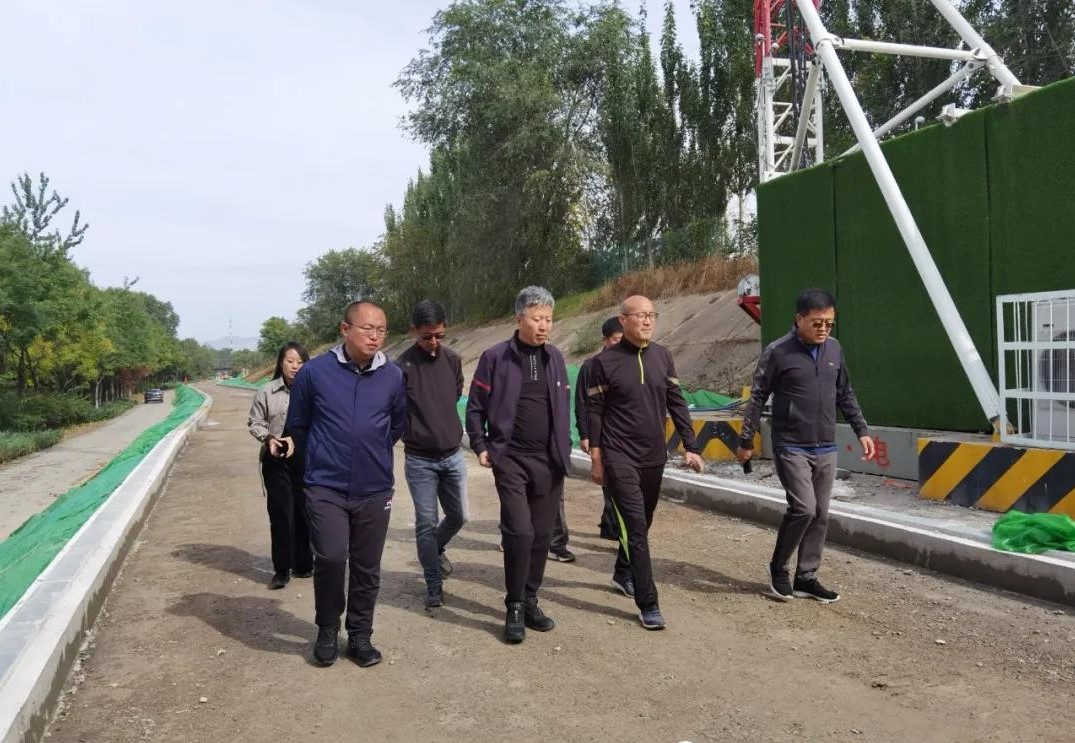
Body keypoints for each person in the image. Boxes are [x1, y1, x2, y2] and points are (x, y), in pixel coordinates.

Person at [286, 300, 406, 668]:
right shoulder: (314, 373)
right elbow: (298, 425)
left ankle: (360, 635)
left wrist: (371, 454)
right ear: (345, 329)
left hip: (375, 487)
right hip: (325, 486)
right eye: (367, 328)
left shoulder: (393, 375)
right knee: (331, 557)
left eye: (381, 330)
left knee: (368, 565)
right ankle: (327, 628)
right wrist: (322, 461)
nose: (375, 336)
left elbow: (396, 425)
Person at [736, 288, 874, 604]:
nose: (823, 329)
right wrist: (746, 439)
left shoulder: (834, 350)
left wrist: (862, 431)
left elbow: (845, 393)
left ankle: (806, 577)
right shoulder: (778, 352)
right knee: (804, 508)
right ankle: (778, 568)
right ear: (799, 319)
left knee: (821, 514)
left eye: (829, 323)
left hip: (825, 446)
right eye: (817, 323)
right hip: (791, 445)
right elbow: (757, 396)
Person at [587, 295, 703, 630]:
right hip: (618, 455)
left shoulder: (662, 356)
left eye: (652, 315)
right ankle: (648, 602)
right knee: (636, 526)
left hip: (653, 456)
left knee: (644, 520)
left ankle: (622, 571)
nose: (648, 321)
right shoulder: (603, 363)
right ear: (623, 320)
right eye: (641, 315)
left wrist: (691, 446)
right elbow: (594, 412)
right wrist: (597, 457)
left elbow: (676, 402)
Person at [465, 286, 572, 644]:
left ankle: (529, 599)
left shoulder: (555, 358)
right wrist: (480, 445)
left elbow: (563, 407)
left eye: (549, 320)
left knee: (541, 535)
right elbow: (475, 406)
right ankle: (513, 604)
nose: (544, 326)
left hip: (549, 460)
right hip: (510, 458)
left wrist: (566, 446)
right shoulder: (495, 357)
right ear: (519, 318)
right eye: (537, 318)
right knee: (519, 531)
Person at [397, 299, 468, 609]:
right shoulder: (401, 368)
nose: (434, 342)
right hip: (420, 460)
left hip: (452, 456)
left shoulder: (452, 360)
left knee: (459, 516)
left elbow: (454, 395)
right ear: (414, 330)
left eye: (440, 335)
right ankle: (433, 583)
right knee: (426, 522)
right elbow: (396, 411)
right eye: (427, 336)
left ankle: (433, 550)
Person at [247, 341, 312, 590]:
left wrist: (299, 439)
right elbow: (255, 422)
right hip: (276, 460)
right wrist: (270, 439)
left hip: (305, 459)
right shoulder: (266, 391)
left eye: (300, 362)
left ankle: (304, 564)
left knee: (304, 512)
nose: (295, 366)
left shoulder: (312, 391)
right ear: (281, 363)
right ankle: (282, 569)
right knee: (281, 513)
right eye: (290, 361)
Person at [574, 316, 623, 542]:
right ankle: (613, 528)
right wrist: (585, 435)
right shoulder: (591, 366)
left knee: (620, 483)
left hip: (623, 433)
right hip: (601, 433)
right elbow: (582, 403)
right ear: (605, 339)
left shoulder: (629, 363)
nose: (620, 344)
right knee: (609, 482)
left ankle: (609, 524)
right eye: (616, 340)